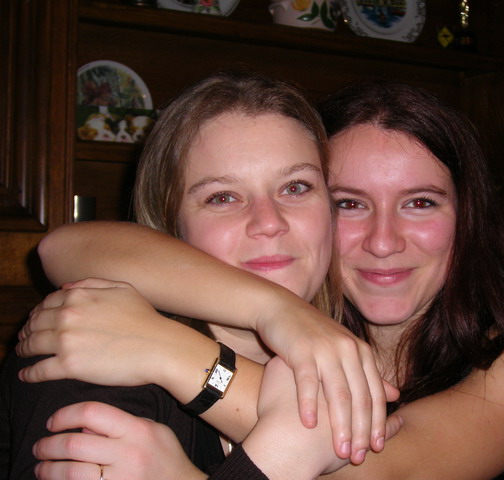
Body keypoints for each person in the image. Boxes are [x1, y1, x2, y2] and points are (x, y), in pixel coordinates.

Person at [17, 79, 504, 479]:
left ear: (470, 217)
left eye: (420, 202)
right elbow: (63, 247)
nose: (384, 241)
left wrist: (170, 353)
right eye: (350, 203)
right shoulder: (298, 333)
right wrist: (279, 311)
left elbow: (371, 466)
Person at [1, 71, 395, 479]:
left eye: (295, 187)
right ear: (171, 227)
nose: (269, 222)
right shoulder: (93, 348)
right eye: (222, 197)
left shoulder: (369, 360)